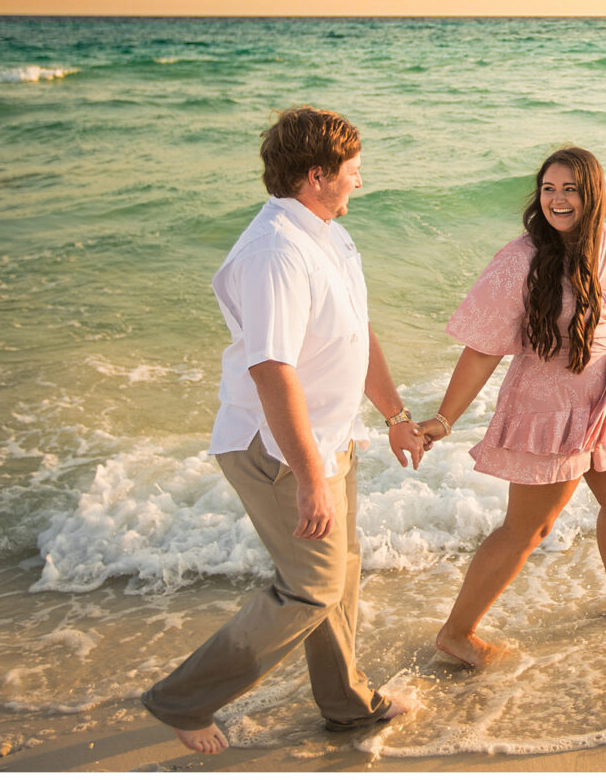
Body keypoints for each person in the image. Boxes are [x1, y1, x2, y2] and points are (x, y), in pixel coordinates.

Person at [140, 109, 428, 755]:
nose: (360, 180)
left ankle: (348, 707)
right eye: (351, 171)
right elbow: (271, 369)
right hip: (274, 448)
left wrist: (396, 417)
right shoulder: (275, 250)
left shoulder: (327, 232)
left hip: (327, 437)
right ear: (315, 175)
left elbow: (360, 333)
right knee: (312, 586)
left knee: (341, 578)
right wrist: (307, 478)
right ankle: (182, 699)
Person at [416, 147, 606, 667]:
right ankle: (457, 634)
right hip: (549, 407)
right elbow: (481, 349)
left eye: (569, 189)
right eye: (548, 189)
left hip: (602, 398)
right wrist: (443, 419)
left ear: (593, 195)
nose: (557, 199)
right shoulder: (519, 259)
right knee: (528, 529)